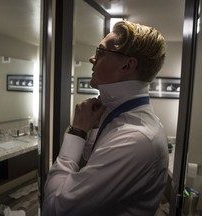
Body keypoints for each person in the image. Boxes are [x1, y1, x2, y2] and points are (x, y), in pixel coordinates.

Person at [42, 20, 169, 216]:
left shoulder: (134, 138)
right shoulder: (113, 114)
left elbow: (55, 209)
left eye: (100, 51)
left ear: (127, 65)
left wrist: (77, 131)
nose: (92, 58)